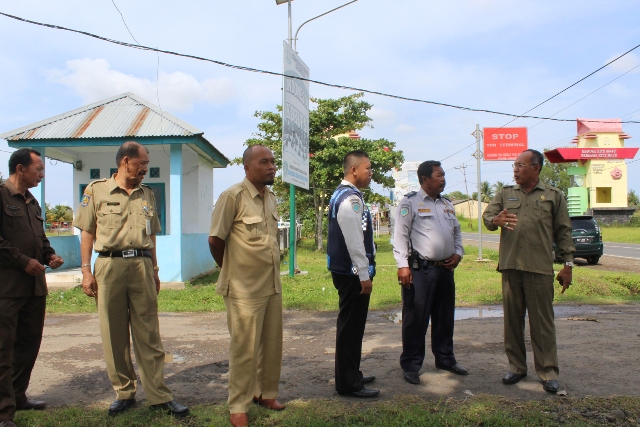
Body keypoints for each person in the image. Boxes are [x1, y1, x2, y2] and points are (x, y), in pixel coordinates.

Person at [74, 141, 188, 417]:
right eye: (143, 163)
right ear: (126, 161)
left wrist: (156, 269)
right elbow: (87, 231)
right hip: (109, 266)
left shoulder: (147, 194)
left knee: (149, 332)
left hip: (141, 265)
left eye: (147, 164)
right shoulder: (96, 190)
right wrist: (86, 271)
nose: (146, 168)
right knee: (113, 332)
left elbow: (151, 236)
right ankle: (124, 392)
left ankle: (159, 395)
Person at [482, 149, 575, 393]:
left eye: (520, 165)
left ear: (536, 168)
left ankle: (548, 371)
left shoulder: (553, 196)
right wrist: (495, 221)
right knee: (512, 322)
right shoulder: (505, 193)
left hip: (540, 268)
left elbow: (564, 231)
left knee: (542, 323)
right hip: (511, 267)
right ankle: (516, 367)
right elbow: (488, 217)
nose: (515, 170)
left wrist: (568, 265)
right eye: (514, 165)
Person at [208, 145, 284, 427]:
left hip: (272, 284)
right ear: (247, 167)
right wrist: (231, 269)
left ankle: (265, 393)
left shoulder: (271, 198)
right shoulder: (232, 197)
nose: (271, 167)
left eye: (273, 162)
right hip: (243, 288)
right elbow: (216, 240)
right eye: (264, 162)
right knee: (244, 349)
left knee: (272, 344)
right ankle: (239, 405)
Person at [0, 148, 64, 427]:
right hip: (7, 289)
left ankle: (18, 396)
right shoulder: (1, 195)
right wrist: (23, 261)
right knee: (3, 351)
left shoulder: (33, 202)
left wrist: (50, 255)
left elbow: (40, 238)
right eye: (38, 169)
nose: (42, 174)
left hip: (35, 289)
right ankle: (3, 414)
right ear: (20, 169)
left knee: (28, 345)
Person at [393, 161, 467, 385]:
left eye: (444, 175)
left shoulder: (447, 204)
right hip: (421, 271)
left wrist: (458, 253)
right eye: (439, 175)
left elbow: (456, 233)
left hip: (445, 269)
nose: (443, 179)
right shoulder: (410, 202)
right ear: (425, 179)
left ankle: (445, 358)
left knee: (444, 317)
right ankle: (412, 364)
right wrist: (402, 265)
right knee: (415, 318)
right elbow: (400, 235)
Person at [327, 150, 379, 398]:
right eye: (368, 168)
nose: (371, 173)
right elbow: (354, 241)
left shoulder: (345, 194)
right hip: (351, 274)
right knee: (351, 328)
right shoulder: (350, 199)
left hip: (349, 271)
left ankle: (352, 373)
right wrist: (363, 274)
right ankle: (348, 383)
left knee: (353, 327)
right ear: (354, 170)